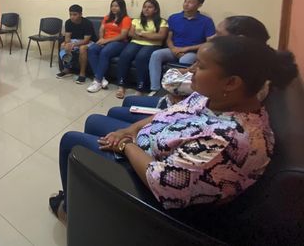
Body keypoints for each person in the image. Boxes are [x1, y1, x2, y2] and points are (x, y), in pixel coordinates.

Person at [49, 35, 298, 223]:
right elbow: (173, 112)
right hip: (151, 143)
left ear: (231, 82)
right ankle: (85, 193)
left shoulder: (229, 139)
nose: (191, 69)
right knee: (95, 121)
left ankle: (70, 211)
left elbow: (163, 182)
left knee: (71, 140)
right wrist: (132, 129)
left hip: (152, 180)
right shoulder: (217, 97)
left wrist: (126, 145)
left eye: (201, 66)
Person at [109, 15, 271, 123]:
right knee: (128, 101)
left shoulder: (238, 73)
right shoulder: (246, 64)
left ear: (239, 40)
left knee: (114, 112)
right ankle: (153, 89)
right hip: (183, 106)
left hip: (180, 115)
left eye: (219, 34)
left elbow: (171, 83)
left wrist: (185, 74)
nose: (212, 38)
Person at [148, 0, 215, 92]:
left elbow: (209, 43)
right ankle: (155, 89)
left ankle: (179, 91)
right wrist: (173, 49)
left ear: (199, 5)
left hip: (192, 52)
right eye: (185, 1)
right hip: (174, 49)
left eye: (190, 2)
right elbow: (169, 38)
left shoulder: (206, 21)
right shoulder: (174, 17)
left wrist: (185, 49)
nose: (186, 4)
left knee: (185, 60)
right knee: (156, 54)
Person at [115, 0, 168, 99]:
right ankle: (121, 85)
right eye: (144, 7)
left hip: (153, 45)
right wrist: (150, 36)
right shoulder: (137, 20)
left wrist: (142, 34)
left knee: (141, 57)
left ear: (156, 10)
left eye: (149, 7)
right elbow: (131, 33)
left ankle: (140, 88)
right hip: (136, 42)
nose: (146, 9)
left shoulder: (162, 22)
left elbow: (161, 36)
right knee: (125, 55)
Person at [86, 0, 131, 93]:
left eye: (116, 6)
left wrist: (106, 41)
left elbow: (123, 35)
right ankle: (101, 77)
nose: (113, 8)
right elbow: (101, 29)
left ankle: (98, 81)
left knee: (105, 52)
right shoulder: (107, 17)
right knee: (92, 49)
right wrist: (101, 39)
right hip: (105, 40)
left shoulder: (126, 19)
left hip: (119, 42)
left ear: (121, 7)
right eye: (112, 6)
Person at [56, 4, 96, 84]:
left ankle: (82, 74)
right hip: (75, 40)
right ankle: (66, 69)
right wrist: (68, 44)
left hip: (89, 41)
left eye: (75, 15)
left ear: (80, 14)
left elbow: (86, 40)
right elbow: (67, 37)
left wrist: (74, 45)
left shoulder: (87, 23)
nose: (72, 17)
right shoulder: (68, 22)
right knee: (63, 45)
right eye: (70, 14)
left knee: (82, 48)